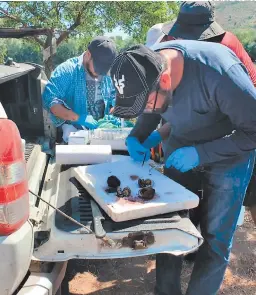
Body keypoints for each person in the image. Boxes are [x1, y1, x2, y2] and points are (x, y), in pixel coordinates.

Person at [110, 39, 256, 294]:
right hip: (181, 146)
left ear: (165, 81)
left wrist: (202, 153)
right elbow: (150, 109)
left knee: (216, 239)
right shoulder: (147, 65)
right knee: (169, 227)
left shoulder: (221, 73)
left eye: (144, 103)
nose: (142, 109)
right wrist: (138, 134)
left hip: (230, 154)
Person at [160, 1, 256, 226]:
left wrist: (201, 152)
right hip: (197, 132)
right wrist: (159, 133)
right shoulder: (173, 46)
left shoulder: (226, 51)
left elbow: (245, 114)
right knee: (189, 199)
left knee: (221, 210)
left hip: (234, 131)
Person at [42, 36, 117, 142]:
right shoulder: (67, 71)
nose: (100, 73)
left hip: (102, 133)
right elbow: (51, 102)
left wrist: (114, 111)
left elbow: (114, 96)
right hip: (74, 134)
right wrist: (78, 118)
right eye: (98, 68)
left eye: (103, 70)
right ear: (88, 54)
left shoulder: (107, 74)